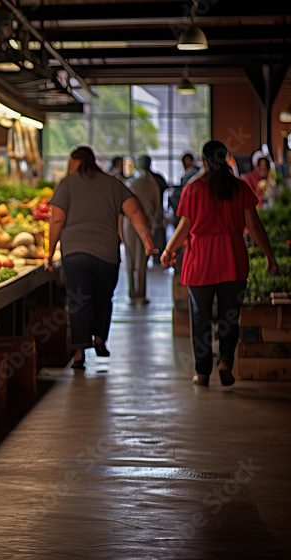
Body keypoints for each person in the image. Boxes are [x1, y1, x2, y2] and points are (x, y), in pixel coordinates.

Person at [161, 140, 279, 387]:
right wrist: (270, 256)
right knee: (229, 316)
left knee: (200, 318)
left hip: (200, 260)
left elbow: (184, 228)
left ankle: (202, 372)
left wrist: (169, 250)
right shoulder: (240, 188)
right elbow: (255, 226)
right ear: (226, 158)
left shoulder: (193, 190)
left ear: (203, 160)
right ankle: (225, 360)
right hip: (232, 258)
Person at [46, 146, 156, 368]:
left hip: (75, 254)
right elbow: (134, 212)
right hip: (107, 254)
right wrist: (147, 241)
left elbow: (57, 220)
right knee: (103, 297)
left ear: (76, 162)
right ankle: (100, 340)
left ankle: (78, 353)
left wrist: (50, 252)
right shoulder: (113, 184)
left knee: (78, 301)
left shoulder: (66, 185)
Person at [123, 156, 165, 303]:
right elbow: (157, 208)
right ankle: (140, 294)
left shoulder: (129, 181)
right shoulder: (152, 182)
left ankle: (132, 292)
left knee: (129, 257)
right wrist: (154, 227)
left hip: (128, 223)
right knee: (141, 260)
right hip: (145, 224)